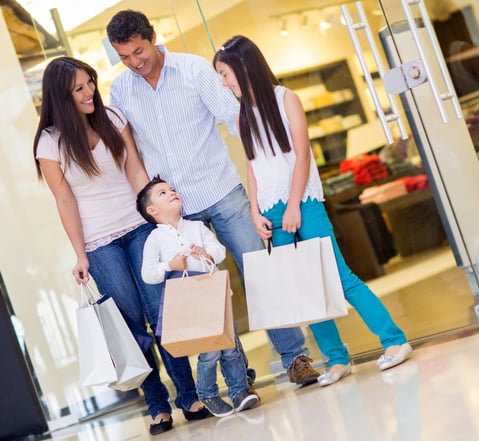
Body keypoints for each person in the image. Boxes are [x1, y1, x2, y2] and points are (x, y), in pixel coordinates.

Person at [106, 9, 321, 385]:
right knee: (205, 292)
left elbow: (237, 122)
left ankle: (294, 357)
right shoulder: (121, 90)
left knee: (260, 274)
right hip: (175, 211)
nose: (134, 63)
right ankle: (237, 373)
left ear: (152, 36)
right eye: (124, 56)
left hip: (221, 191)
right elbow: (131, 153)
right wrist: (151, 206)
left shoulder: (193, 71)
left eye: (138, 51)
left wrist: (275, 170)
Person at [212, 35, 413, 387]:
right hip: (271, 211)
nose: (225, 83)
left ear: (244, 68)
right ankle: (336, 359)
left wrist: (293, 205)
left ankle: (395, 340)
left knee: (339, 277)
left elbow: (302, 155)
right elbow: (252, 164)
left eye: (226, 74)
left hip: (303, 200)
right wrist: (256, 211)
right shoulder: (243, 114)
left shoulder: (286, 98)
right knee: (305, 288)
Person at [32, 57, 211, 436]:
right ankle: (157, 406)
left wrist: (158, 217)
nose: (88, 92)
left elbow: (134, 170)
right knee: (131, 325)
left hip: (139, 229)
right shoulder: (50, 143)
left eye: (90, 83)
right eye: (78, 88)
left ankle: (189, 397)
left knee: (162, 314)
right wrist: (80, 254)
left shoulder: (111, 118)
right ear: (61, 97)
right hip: (100, 242)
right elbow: (64, 201)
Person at [137, 176, 260, 417]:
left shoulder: (196, 227)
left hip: (213, 294)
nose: (172, 193)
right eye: (163, 193)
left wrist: (208, 254)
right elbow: (147, 274)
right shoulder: (155, 239)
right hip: (188, 302)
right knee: (210, 350)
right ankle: (208, 393)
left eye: (172, 189)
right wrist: (169, 265)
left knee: (230, 343)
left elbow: (219, 250)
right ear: (152, 210)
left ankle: (239, 391)